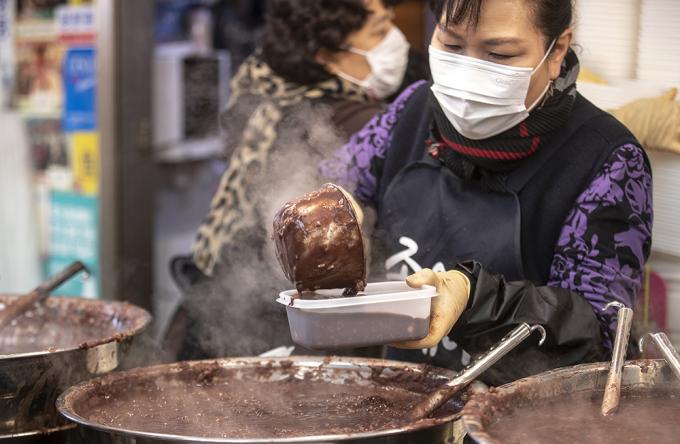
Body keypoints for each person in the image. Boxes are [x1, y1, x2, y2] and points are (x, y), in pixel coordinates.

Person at [316, 0, 656, 385]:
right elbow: (334, 185)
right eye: (452, 46)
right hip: (394, 398)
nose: (468, 72)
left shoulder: (608, 160)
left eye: (499, 54)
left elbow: (599, 341)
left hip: (513, 413)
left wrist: (475, 300)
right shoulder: (413, 109)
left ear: (557, 50)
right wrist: (331, 215)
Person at [165, 0, 426, 359]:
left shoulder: (265, 95)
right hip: (279, 330)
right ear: (326, 54)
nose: (396, 40)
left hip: (212, 309)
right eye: (379, 31)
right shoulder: (362, 123)